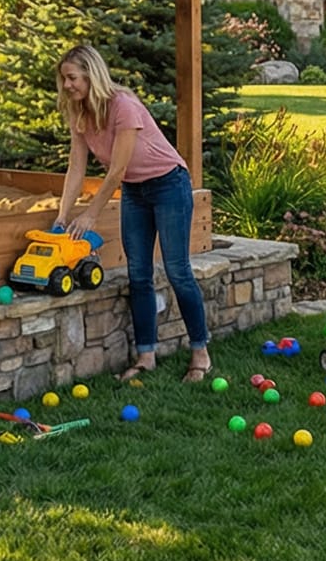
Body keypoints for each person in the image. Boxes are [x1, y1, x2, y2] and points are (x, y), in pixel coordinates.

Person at [52, 44, 212, 384]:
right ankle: (146, 356)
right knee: (138, 274)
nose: (67, 85)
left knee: (177, 270)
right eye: (64, 79)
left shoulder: (123, 106)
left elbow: (117, 170)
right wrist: (62, 217)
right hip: (135, 192)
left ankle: (200, 353)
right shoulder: (79, 113)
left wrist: (91, 215)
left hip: (169, 184)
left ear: (91, 75)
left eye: (72, 78)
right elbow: (76, 168)